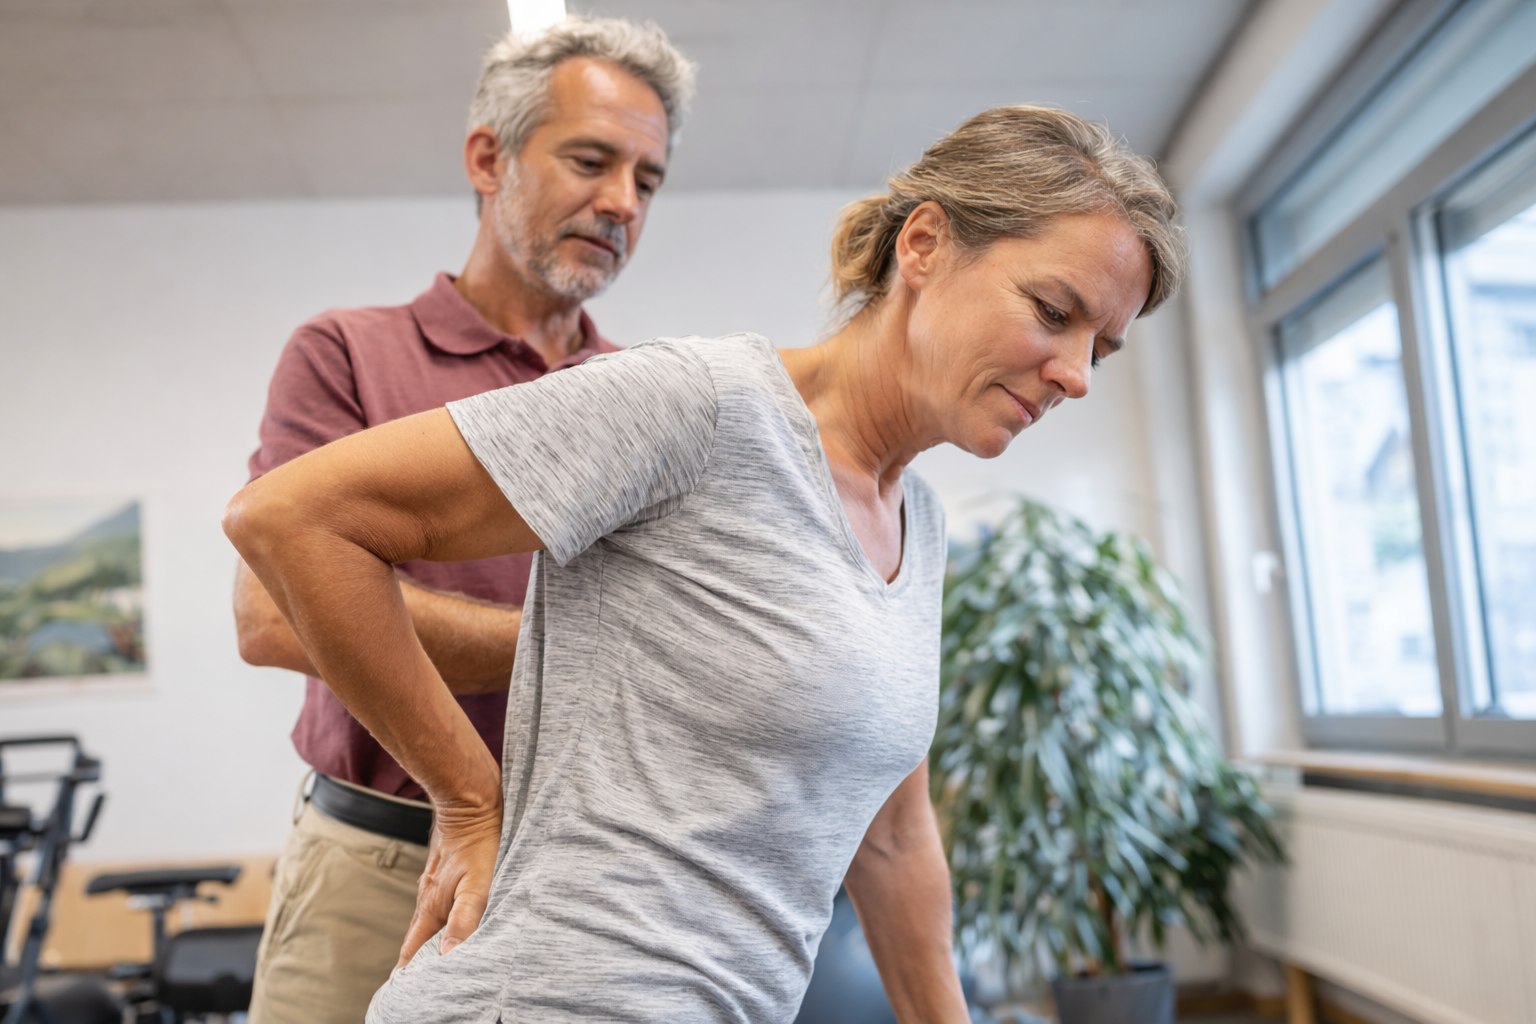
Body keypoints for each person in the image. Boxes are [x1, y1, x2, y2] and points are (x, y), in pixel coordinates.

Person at [225, 104, 1186, 1023]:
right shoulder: (704, 403)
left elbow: (894, 839)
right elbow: (293, 519)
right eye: (1052, 311)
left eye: (1101, 347)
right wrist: (470, 799)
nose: (1076, 374)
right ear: (925, 244)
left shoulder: (918, 523)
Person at [231, 17, 695, 1023]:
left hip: (587, 879)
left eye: (648, 181)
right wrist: (586, 649)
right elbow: (275, 617)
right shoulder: (346, 353)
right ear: (490, 157)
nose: (621, 201)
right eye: (590, 160)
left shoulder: (648, 398)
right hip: (376, 864)